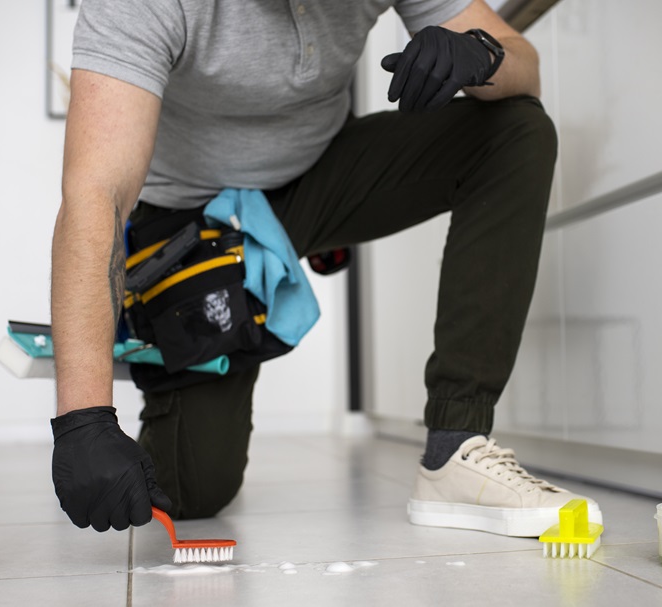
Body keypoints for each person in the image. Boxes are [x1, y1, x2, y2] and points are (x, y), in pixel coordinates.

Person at [49, 0, 602, 537]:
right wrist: (85, 419)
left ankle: (455, 446)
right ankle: (154, 344)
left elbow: (522, 62)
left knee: (515, 129)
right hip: (191, 215)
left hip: (318, 172)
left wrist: (483, 53)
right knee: (192, 491)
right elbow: (97, 194)